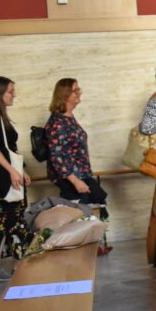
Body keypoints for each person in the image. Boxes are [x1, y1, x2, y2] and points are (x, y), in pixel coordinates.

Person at [44, 78, 111, 251]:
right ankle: (81, 255)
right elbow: (56, 155)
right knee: (79, 217)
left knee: (97, 202)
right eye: (75, 90)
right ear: (65, 94)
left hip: (82, 174)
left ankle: (94, 246)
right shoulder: (57, 122)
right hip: (72, 178)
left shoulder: (69, 118)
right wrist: (75, 181)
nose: (79, 92)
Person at [0, 76, 31, 282]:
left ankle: (11, 265)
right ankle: (3, 266)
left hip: (7, 177)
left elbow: (9, 149)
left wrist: (21, 170)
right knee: (8, 222)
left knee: (11, 221)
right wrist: (12, 170)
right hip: (4, 179)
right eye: (10, 91)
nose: (14, 95)